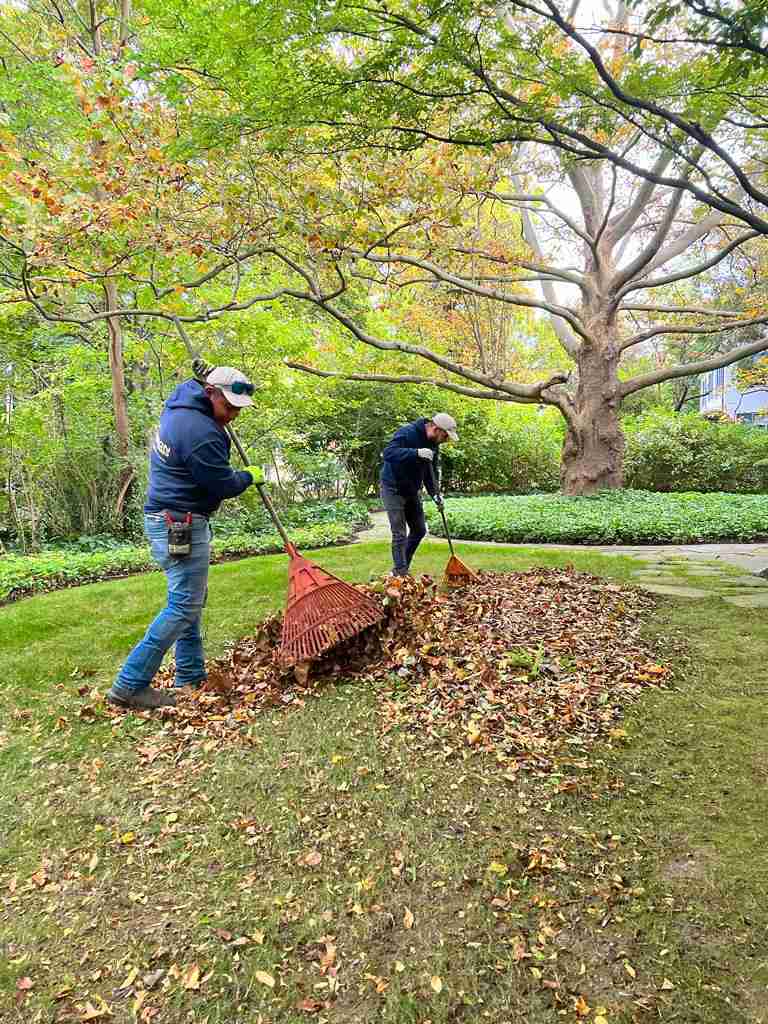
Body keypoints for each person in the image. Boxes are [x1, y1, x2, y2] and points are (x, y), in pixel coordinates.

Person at [106, 366, 263, 710]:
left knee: (189, 599)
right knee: (184, 605)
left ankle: (189, 675)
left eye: (239, 408)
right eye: (230, 407)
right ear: (210, 393)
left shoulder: (181, 408)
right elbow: (222, 485)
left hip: (170, 517)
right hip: (180, 522)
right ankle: (129, 685)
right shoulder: (200, 432)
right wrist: (248, 476)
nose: (234, 414)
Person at [379, 413, 458, 576]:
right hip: (392, 488)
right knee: (399, 533)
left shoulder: (434, 444)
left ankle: (402, 566)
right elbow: (388, 453)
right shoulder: (407, 432)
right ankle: (400, 572)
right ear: (436, 429)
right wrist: (415, 453)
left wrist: (435, 494)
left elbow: (430, 473)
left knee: (419, 530)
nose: (446, 440)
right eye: (445, 436)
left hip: (412, 490)